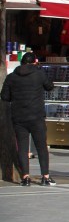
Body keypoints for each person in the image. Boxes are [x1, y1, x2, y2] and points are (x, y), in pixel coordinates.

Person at [1, 53, 56, 186]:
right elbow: (50, 86)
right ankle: (45, 177)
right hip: (36, 116)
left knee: (22, 148)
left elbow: (4, 96)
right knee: (41, 147)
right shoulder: (39, 74)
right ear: (34, 62)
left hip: (19, 117)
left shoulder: (11, 77)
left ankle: (25, 177)